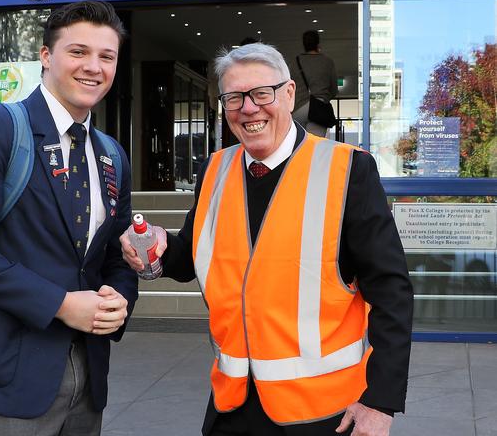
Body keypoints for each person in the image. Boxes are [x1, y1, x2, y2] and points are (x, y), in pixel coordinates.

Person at [120, 43, 413, 436]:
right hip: (233, 405)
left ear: (289, 93)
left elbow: (391, 290)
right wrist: (159, 245)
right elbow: (190, 257)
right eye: (234, 98)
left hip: (325, 412)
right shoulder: (214, 170)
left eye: (262, 94)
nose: (249, 108)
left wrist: (380, 401)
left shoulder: (348, 170)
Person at [0, 0, 138, 436]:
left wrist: (119, 300)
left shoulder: (111, 154)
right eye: (78, 52)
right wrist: (62, 305)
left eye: (107, 56)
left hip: (88, 379)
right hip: (4, 377)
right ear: (46, 57)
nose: (94, 67)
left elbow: (117, 254)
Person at [291, 30, 338, 137]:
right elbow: (333, 90)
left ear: (304, 44)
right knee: (314, 145)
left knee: (298, 143)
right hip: (319, 107)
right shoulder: (327, 62)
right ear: (318, 43)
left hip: (298, 107)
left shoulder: (296, 61)